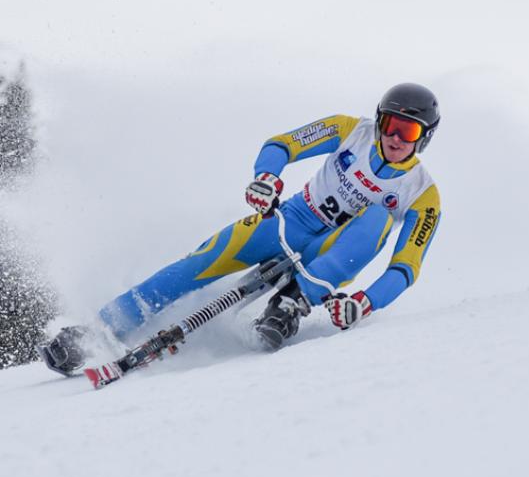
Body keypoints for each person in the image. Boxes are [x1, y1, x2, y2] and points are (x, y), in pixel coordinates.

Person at [40, 82, 442, 375]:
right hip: (289, 221)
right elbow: (282, 144)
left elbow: (405, 268)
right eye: (388, 124)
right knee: (200, 262)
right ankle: (99, 330)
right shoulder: (348, 130)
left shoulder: (422, 193)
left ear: (423, 138)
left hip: (333, 252)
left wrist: (365, 302)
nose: (393, 137)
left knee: (376, 217)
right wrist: (266, 177)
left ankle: (291, 302)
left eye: (407, 131)